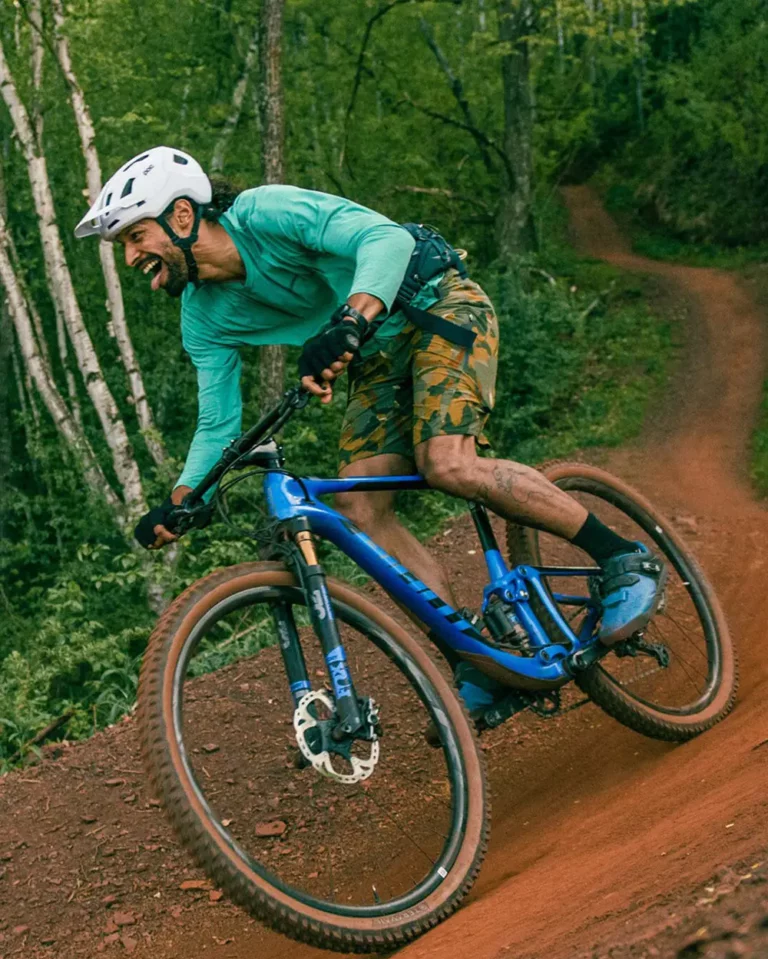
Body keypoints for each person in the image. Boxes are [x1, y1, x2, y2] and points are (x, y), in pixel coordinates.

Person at [75, 146, 665, 721]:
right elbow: (218, 423)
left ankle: (623, 558)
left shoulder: (264, 212)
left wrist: (351, 318)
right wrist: (184, 499)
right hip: (374, 357)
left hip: (435, 306)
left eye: (134, 237)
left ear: (182, 216)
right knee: (358, 504)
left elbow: (387, 240)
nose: (130, 258)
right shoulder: (202, 316)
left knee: (448, 464)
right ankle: (482, 657)